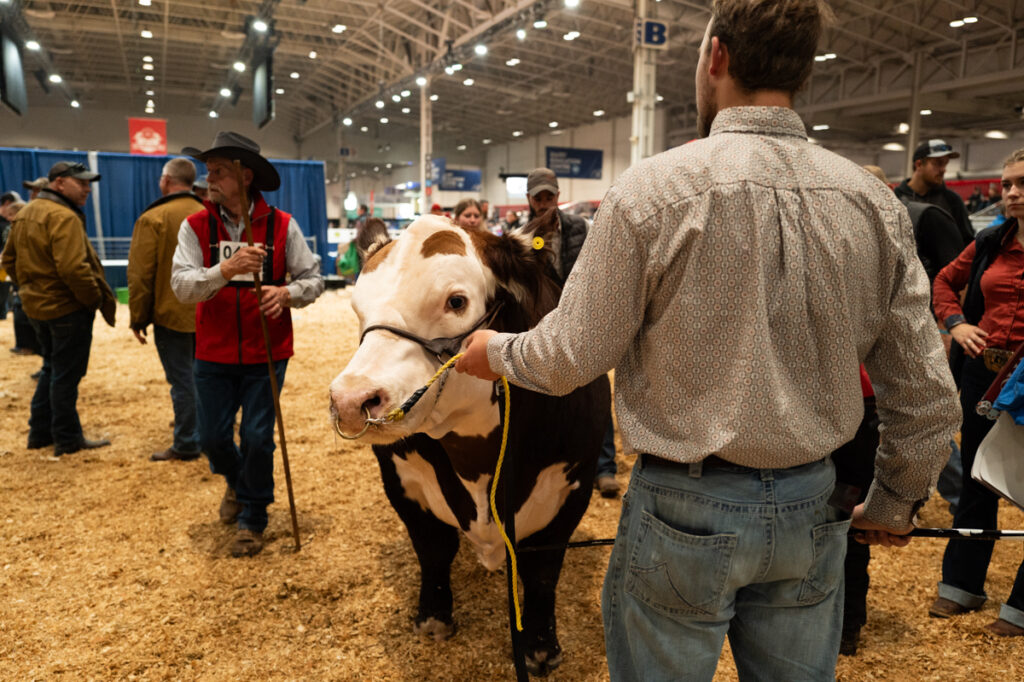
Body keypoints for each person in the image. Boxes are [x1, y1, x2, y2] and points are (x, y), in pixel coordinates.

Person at [455, 1, 960, 678]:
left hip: (683, 508)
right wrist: (896, 500)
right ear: (802, 70)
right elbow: (924, 391)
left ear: (716, 57)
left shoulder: (652, 191)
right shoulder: (870, 203)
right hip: (812, 503)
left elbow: (573, 355)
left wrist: (494, 353)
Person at [171, 131, 324, 557]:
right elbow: (181, 286)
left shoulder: (282, 225)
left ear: (246, 175)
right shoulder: (195, 225)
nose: (210, 178)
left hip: (267, 351)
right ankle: (240, 485)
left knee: (258, 438)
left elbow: (313, 279)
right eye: (209, 170)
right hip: (212, 351)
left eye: (219, 171)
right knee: (211, 439)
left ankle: (253, 517)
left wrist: (287, 294)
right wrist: (224, 270)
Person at [928, 147, 1024, 637]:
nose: (1011, 193)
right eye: (1007, 184)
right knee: (976, 479)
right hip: (982, 376)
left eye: (1022, 183)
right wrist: (957, 323)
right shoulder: (990, 240)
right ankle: (962, 584)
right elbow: (944, 281)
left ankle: (1023, 605)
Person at [1, 161, 116, 457]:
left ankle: (39, 434)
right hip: (66, 309)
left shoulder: (26, 213)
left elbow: (9, 260)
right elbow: (74, 268)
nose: (88, 189)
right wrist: (91, 300)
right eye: (82, 183)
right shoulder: (64, 216)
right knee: (65, 376)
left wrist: (28, 288)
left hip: (37, 308)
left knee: (51, 369)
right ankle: (67, 439)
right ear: (61, 183)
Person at [524, 166, 621, 497]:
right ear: (529, 199)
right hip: (543, 331)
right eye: (538, 198)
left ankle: (604, 467)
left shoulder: (582, 228)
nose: (544, 203)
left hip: (581, 327)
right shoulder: (524, 236)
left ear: (558, 196)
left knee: (595, 393)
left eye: (549, 196)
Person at [127, 157, 204, 462]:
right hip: (211, 314)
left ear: (166, 181)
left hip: (172, 314)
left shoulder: (154, 217)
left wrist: (138, 316)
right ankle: (213, 433)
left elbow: (141, 274)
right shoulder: (209, 214)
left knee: (183, 381)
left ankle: (187, 442)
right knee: (208, 378)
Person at [895, 139, 974, 246]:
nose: (943, 170)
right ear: (919, 165)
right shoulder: (896, 198)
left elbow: (967, 241)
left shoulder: (952, 200)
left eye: (945, 164)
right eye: (938, 163)